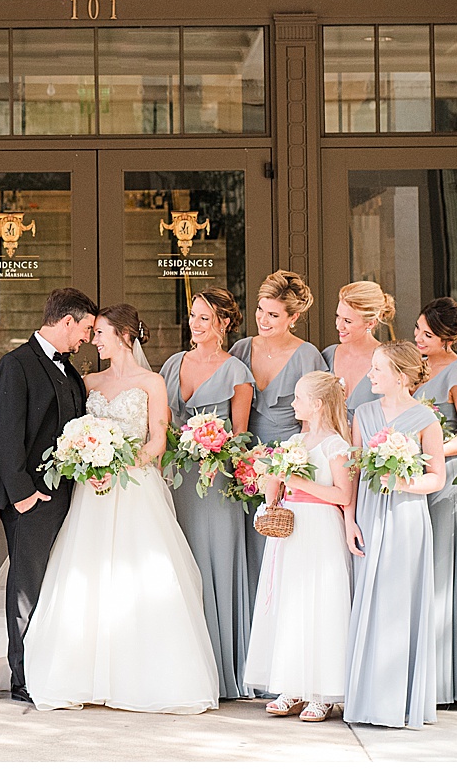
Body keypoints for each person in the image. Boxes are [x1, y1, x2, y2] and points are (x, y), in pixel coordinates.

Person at [22, 304, 219, 715]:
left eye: (102, 334)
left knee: (141, 576)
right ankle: (79, 673)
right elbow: (73, 432)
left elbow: (157, 442)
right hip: (90, 492)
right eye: (92, 333)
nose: (94, 340)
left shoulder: (152, 383)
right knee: (87, 575)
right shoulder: (87, 380)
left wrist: (119, 466)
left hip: (134, 488)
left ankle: (143, 677)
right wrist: (86, 463)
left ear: (125, 336)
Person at [0, 286, 97, 704]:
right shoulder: (16, 365)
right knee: (26, 588)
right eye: (85, 328)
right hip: (32, 498)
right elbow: (7, 432)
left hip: (66, 497)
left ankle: (49, 665)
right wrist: (22, 494)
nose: (87, 337)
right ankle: (23, 676)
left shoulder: (70, 370)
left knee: (54, 586)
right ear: (66, 321)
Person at [245, 370, 358, 722]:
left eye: (297, 398)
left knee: (320, 603)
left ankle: (323, 692)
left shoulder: (336, 446)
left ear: (318, 404)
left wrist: (296, 480)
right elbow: (280, 487)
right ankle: (291, 685)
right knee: (291, 603)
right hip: (291, 528)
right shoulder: (296, 442)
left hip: (321, 528)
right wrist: (271, 481)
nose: (292, 404)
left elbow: (343, 495)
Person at [159, 288, 256, 700]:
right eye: (193, 316)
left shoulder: (237, 372)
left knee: (213, 565)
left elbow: (241, 436)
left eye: (204, 318)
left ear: (224, 324)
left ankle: (220, 670)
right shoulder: (171, 364)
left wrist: (215, 447)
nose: (195, 325)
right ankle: (177, 667)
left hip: (215, 483)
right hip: (175, 479)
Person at [345, 340, 446, 730]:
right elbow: (352, 471)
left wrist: (402, 481)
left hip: (406, 519)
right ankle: (367, 699)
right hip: (368, 516)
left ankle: (400, 702)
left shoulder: (425, 419)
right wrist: (350, 520)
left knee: (400, 604)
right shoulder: (363, 414)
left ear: (400, 377)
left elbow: (436, 477)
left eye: (377, 369)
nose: (369, 374)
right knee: (368, 603)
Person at [413, 297, 457, 707]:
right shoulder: (415, 364)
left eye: (427, 334)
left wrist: (433, 453)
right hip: (416, 476)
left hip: (448, 481)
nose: (419, 338)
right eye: (418, 329)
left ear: (447, 338)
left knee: (446, 572)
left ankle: (449, 680)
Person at [231, 270, 324, 591]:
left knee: (283, 541)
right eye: (260, 310)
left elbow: (316, 421)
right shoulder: (241, 349)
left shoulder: (308, 356)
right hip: (244, 464)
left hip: (290, 463)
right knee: (249, 539)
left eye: (273, 314)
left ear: (293, 317)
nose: (263, 319)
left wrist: (294, 467)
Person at [326, 280, 395, 424]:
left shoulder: (389, 360)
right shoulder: (327, 355)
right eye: (338, 316)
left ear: (370, 323)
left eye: (347, 321)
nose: (339, 326)